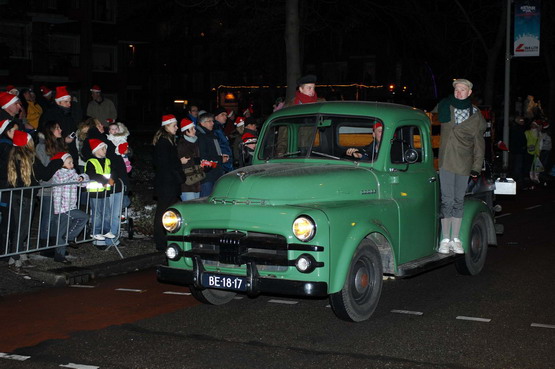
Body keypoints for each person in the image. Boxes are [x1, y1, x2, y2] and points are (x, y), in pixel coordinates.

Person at [435, 78, 486, 254]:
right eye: (456, 89)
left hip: (464, 163)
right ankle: (444, 239)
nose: (459, 93)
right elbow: (426, 119)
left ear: (469, 93)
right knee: (446, 200)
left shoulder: (476, 115)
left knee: (458, 201)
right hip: (446, 160)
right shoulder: (444, 107)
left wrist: (476, 167)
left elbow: (479, 144)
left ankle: (455, 239)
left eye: (462, 90)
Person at [6, 130, 63, 273]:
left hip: (16, 196)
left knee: (20, 227)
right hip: (26, 196)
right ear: (28, 142)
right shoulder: (30, 157)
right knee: (22, 228)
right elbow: (44, 174)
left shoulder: (13, 155)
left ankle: (21, 256)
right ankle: (14, 259)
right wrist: (58, 161)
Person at [152, 114, 186, 250]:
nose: (177, 128)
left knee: (168, 212)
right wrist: (179, 162)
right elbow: (165, 164)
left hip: (169, 183)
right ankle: (160, 241)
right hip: (166, 184)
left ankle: (167, 239)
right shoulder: (163, 143)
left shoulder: (169, 141)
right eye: (174, 125)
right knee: (163, 212)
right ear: (167, 126)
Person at [35, 120, 70, 249]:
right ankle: (44, 246)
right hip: (48, 188)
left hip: (60, 188)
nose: (60, 130)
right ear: (50, 131)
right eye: (57, 128)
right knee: (48, 218)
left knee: (57, 218)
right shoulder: (41, 147)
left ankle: (54, 244)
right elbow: (43, 169)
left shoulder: (59, 146)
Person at [50, 152, 89, 264]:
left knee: (84, 217)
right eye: (69, 162)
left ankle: (70, 236)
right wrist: (74, 174)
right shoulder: (58, 173)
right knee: (61, 232)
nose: (72, 164)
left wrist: (82, 177)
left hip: (71, 206)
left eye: (72, 162)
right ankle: (60, 255)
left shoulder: (72, 173)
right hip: (62, 208)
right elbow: (62, 180)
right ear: (62, 164)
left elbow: (84, 182)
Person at [85, 138, 115, 244]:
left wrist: (112, 179)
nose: (105, 151)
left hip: (105, 191)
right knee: (97, 213)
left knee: (107, 212)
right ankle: (95, 231)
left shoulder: (107, 161)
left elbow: (111, 172)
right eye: (102, 149)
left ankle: (106, 230)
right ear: (96, 150)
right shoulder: (91, 162)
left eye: (105, 149)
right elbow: (92, 175)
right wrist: (106, 180)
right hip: (95, 192)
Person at [39, 86, 78, 162]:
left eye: (69, 101)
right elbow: (47, 134)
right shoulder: (49, 115)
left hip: (70, 150)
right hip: (56, 150)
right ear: (58, 102)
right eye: (66, 102)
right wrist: (64, 140)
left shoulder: (69, 113)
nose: (69, 104)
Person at [197, 113, 226, 197]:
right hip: (208, 176)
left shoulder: (210, 134)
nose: (212, 123)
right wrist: (220, 160)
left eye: (212, 121)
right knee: (206, 200)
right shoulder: (201, 137)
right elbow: (203, 158)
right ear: (202, 123)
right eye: (209, 121)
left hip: (214, 174)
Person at [177, 118, 201, 201]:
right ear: (185, 131)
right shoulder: (182, 145)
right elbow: (186, 162)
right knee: (189, 206)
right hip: (187, 183)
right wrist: (198, 161)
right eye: (192, 129)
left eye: (194, 128)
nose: (194, 130)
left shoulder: (195, 142)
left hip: (196, 180)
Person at [212, 107, 234, 173]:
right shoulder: (216, 129)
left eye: (226, 115)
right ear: (216, 117)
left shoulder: (220, 128)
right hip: (223, 163)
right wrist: (221, 159)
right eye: (222, 115)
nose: (225, 117)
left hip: (226, 161)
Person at [509, 116, 528, 185]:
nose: (522, 122)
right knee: (518, 165)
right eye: (521, 121)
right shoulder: (517, 129)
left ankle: (517, 178)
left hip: (518, 149)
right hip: (518, 150)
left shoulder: (518, 128)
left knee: (518, 164)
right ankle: (517, 179)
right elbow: (518, 140)